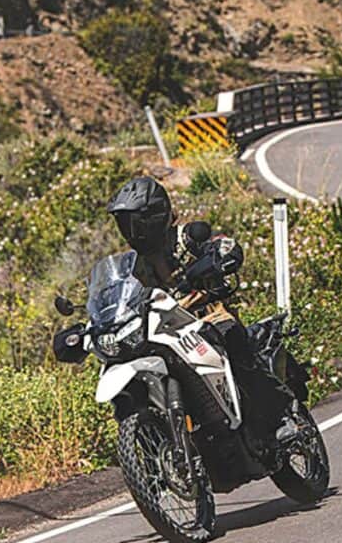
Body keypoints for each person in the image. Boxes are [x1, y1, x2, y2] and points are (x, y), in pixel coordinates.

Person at [106, 176, 298, 446]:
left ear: (155, 216)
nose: (130, 230)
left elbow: (226, 246)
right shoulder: (133, 266)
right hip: (165, 333)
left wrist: (217, 258)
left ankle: (278, 419)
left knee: (232, 341)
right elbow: (120, 298)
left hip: (207, 317)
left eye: (134, 222)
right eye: (125, 223)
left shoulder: (186, 238)